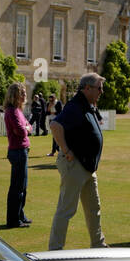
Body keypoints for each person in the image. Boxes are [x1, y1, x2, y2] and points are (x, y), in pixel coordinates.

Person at [48, 73, 107, 250]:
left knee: (93, 209)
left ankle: (98, 244)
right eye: (99, 88)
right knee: (66, 210)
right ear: (86, 88)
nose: (101, 92)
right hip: (76, 165)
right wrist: (66, 151)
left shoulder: (88, 105)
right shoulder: (75, 106)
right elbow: (55, 126)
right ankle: (55, 250)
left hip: (88, 166)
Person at [4, 84, 33, 227]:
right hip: (18, 151)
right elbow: (20, 131)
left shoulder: (18, 111)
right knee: (17, 187)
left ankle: (20, 215)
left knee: (23, 186)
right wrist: (26, 128)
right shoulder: (12, 111)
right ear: (15, 95)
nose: (24, 95)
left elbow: (28, 127)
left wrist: (26, 128)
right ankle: (13, 220)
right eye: (22, 93)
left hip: (22, 150)